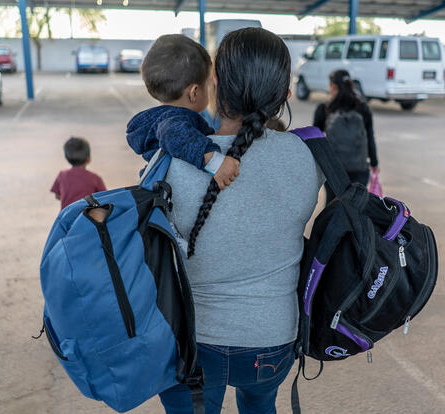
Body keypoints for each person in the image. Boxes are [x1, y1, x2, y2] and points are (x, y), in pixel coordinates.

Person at [158, 28, 323, 414]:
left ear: (214, 82)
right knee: (261, 405)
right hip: (275, 342)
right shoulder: (308, 158)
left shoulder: (171, 164)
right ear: (284, 94)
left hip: (195, 344)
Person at [126, 34, 239, 190]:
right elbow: (171, 132)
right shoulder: (175, 120)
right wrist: (215, 162)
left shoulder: (162, 118)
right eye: (208, 84)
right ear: (194, 92)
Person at [313, 69, 379, 205]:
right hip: (359, 168)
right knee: (356, 209)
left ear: (332, 86)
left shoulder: (325, 108)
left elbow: (315, 141)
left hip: (334, 170)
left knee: (332, 208)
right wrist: (374, 163)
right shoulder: (362, 108)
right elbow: (370, 136)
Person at [50, 137, 107, 210]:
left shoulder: (62, 175)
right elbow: (104, 198)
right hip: (86, 217)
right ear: (88, 158)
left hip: (66, 216)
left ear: (67, 158)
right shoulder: (95, 178)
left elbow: (57, 196)